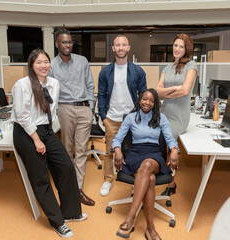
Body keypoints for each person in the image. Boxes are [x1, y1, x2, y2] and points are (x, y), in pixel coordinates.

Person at [11, 49, 87, 238]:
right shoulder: (22, 85)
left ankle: (70, 212)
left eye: (46, 62)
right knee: (41, 177)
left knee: (66, 166)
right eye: (39, 62)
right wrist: (36, 139)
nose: (44, 66)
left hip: (46, 129)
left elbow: (50, 111)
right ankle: (57, 222)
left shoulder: (54, 83)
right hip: (26, 133)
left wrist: (47, 136)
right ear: (31, 65)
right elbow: (22, 115)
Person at [112, 88, 179, 240]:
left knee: (148, 165)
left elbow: (169, 138)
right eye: (144, 99)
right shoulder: (131, 118)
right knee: (150, 179)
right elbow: (117, 139)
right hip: (135, 154)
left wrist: (174, 149)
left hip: (154, 155)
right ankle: (150, 229)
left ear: (155, 104)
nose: (147, 103)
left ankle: (130, 217)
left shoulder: (161, 118)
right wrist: (117, 149)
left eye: (151, 100)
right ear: (139, 100)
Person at [49, 28, 95, 206]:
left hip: (84, 109)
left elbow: (90, 84)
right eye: (63, 42)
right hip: (65, 109)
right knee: (67, 150)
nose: (67, 45)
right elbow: (50, 92)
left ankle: (79, 190)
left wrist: (90, 108)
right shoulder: (52, 65)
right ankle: (68, 187)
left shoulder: (82, 61)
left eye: (69, 42)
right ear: (57, 44)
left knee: (81, 151)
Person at [98, 34, 147, 197]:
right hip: (112, 118)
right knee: (109, 151)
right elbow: (102, 95)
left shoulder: (137, 71)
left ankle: (134, 181)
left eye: (123, 45)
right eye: (117, 45)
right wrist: (104, 117)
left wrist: (141, 117)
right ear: (113, 48)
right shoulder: (105, 71)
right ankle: (108, 179)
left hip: (132, 119)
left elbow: (143, 96)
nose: (120, 48)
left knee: (133, 151)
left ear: (128, 48)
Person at [155, 33, 197, 196]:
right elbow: (157, 93)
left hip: (179, 115)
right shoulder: (167, 68)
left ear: (186, 49)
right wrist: (175, 89)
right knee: (152, 139)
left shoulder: (191, 65)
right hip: (164, 112)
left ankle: (168, 178)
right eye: (175, 45)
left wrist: (166, 92)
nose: (177, 49)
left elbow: (186, 90)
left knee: (165, 140)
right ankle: (170, 181)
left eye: (181, 46)